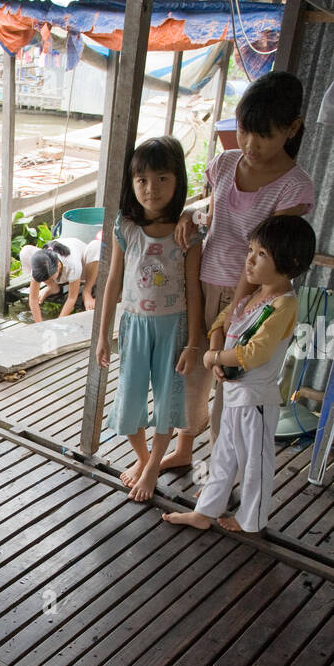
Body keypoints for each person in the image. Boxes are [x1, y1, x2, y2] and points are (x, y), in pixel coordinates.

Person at [164, 72, 314, 473]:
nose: (250, 145)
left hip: (251, 297)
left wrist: (238, 307)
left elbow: (270, 255)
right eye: (245, 131)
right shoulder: (226, 164)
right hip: (205, 280)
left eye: (263, 135)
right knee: (193, 366)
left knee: (231, 382)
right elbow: (213, 210)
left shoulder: (294, 187)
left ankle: (222, 471)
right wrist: (188, 215)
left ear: (291, 129)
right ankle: (183, 449)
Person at [164, 215, 316, 534]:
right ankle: (205, 511)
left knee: (255, 464)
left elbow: (254, 353)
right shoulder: (253, 296)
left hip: (256, 401)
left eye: (262, 254)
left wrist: (211, 356)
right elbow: (222, 321)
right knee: (223, 456)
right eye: (251, 249)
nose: (250, 258)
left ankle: (252, 520)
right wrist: (217, 356)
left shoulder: (283, 305)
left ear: (291, 262)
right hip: (235, 394)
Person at [96, 136, 203, 502]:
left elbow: (193, 291)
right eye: (141, 180)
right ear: (131, 182)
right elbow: (112, 283)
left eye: (162, 179)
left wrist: (193, 343)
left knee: (168, 400)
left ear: (178, 182)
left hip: (174, 327)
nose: (151, 188)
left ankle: (154, 466)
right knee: (128, 400)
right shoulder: (125, 226)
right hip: (134, 326)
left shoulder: (186, 233)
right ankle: (145, 460)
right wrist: (102, 334)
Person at [21, 237, 95, 320]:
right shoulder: (40, 263)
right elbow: (33, 299)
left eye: (48, 278)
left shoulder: (72, 265)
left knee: (95, 246)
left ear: (58, 266)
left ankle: (87, 291)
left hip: (86, 269)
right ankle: (53, 287)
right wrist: (39, 324)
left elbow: (71, 298)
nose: (44, 280)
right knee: (25, 251)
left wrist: (58, 321)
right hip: (59, 272)